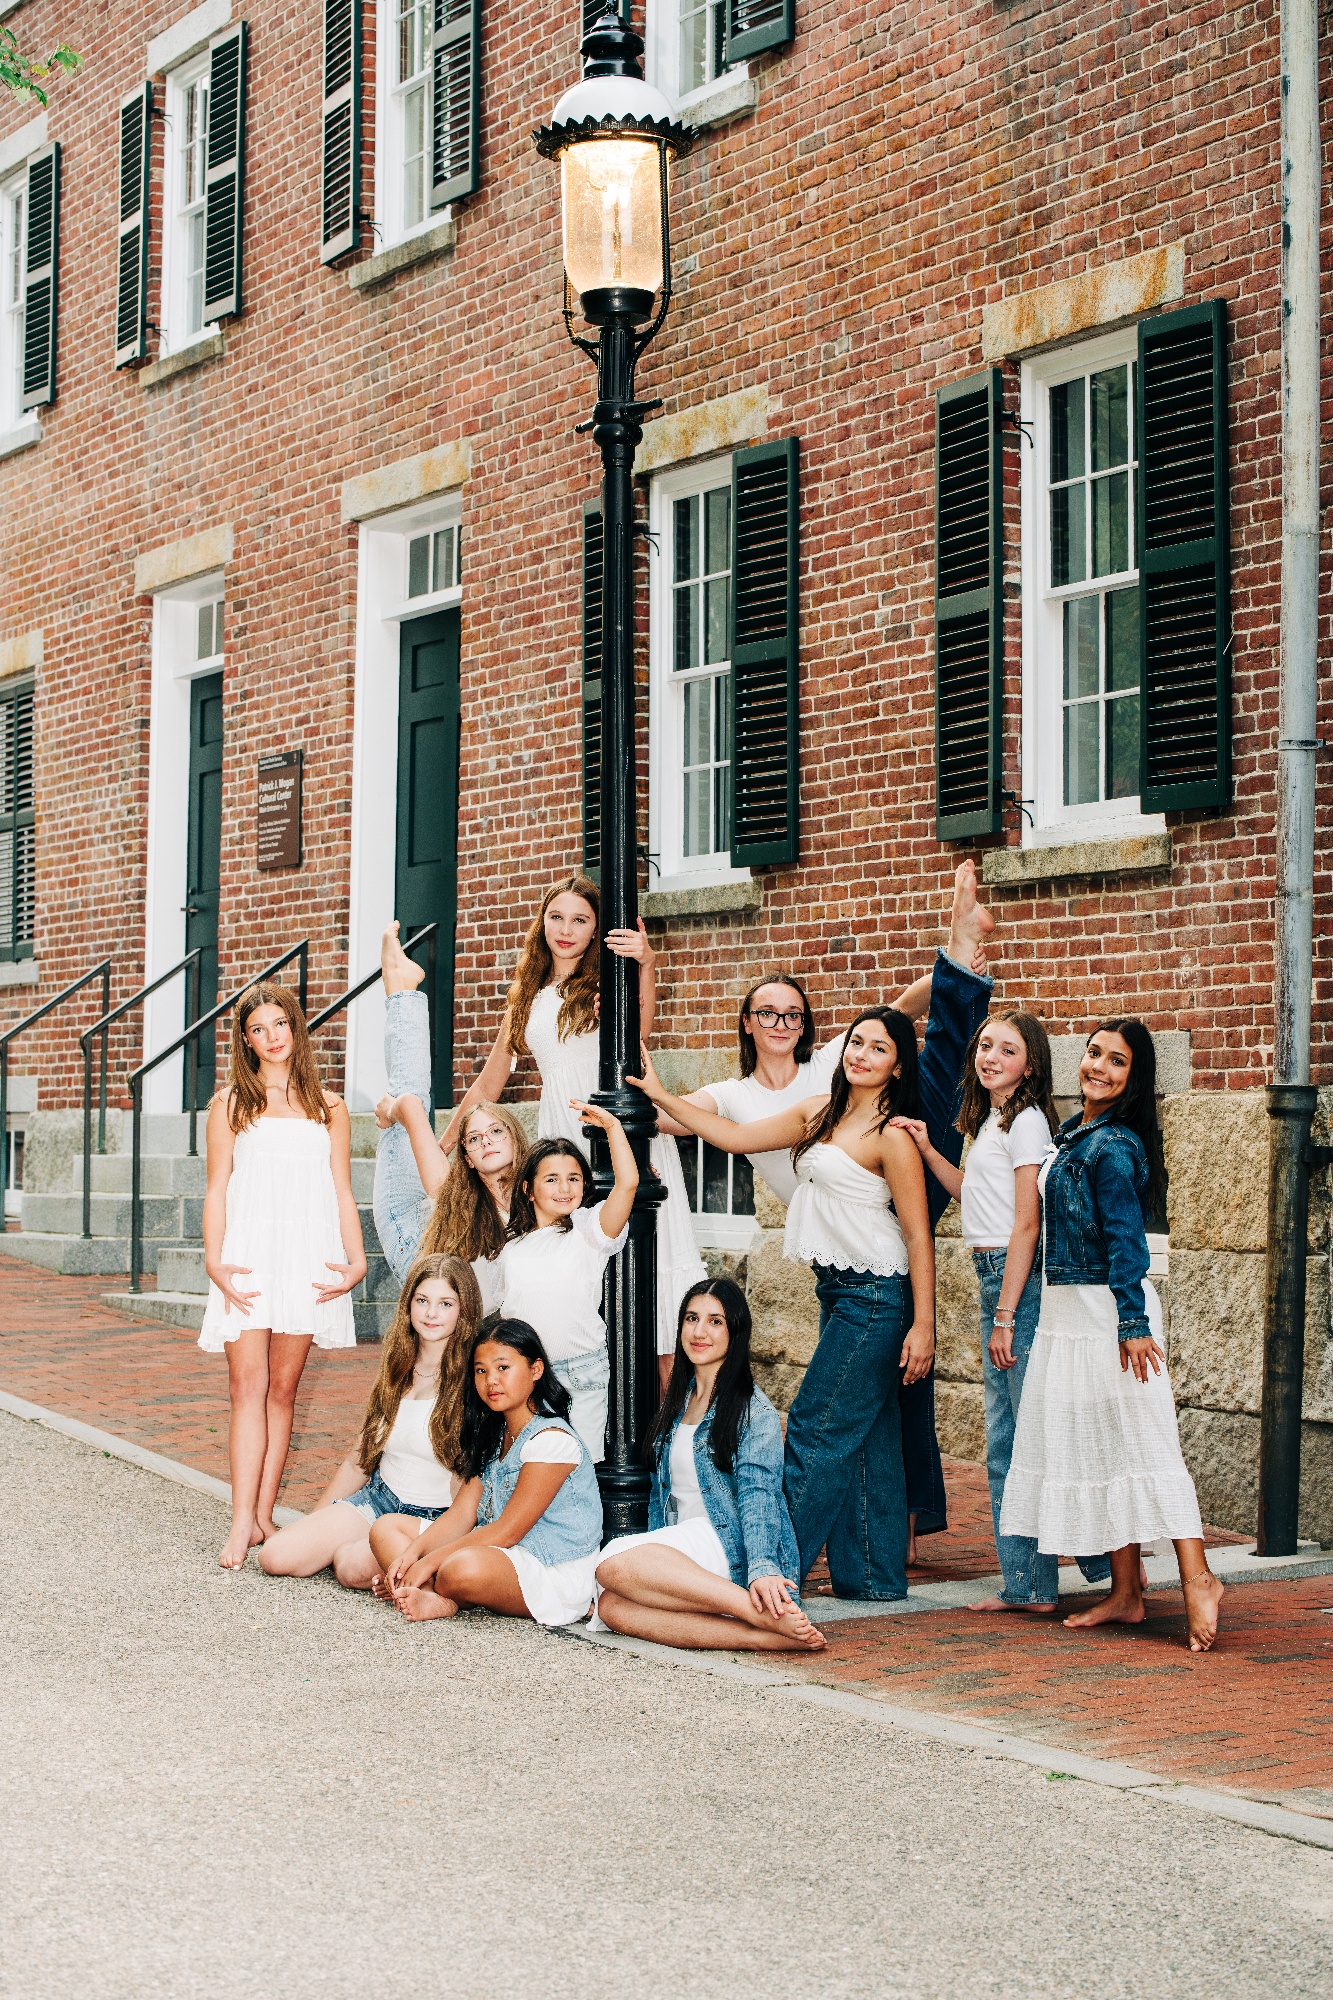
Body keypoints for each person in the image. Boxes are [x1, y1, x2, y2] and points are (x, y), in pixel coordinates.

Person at [653, 858, 994, 1551]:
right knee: (875, 1408)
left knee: (931, 1075)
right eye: (767, 1013)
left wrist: (954, 966)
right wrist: (638, 1067)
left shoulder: (838, 1063)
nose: (781, 1022)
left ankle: (777, 1560)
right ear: (748, 1023)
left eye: (792, 1013)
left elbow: (899, 1015)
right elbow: (687, 1122)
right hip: (845, 1253)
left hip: (886, 1215)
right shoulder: (745, 1095)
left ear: (806, 1024)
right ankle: (880, 1555)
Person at [632, 1009, 935, 1602]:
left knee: (816, 1431)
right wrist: (662, 1095)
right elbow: (731, 1137)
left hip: (876, 1297)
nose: (861, 1054)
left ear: (898, 1067)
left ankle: (770, 1575)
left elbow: (918, 1234)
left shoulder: (893, 1136)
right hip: (838, 1290)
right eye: (857, 1043)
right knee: (866, 1437)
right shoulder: (817, 1112)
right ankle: (872, 1578)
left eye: (879, 1048)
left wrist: (923, 1324)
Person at [1000, 1020, 1224, 1652]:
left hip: (1108, 1313)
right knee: (1102, 1445)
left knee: (1146, 1441)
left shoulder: (1115, 1146)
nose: (1098, 1066)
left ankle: (1199, 1577)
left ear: (1134, 1076)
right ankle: (1126, 1593)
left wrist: (1132, 1323)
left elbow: (1128, 1242)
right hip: (1067, 1313)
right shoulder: (1076, 1132)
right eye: (1094, 1053)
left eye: (1116, 1060)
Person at [440, 873, 706, 1383]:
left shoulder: (607, 982)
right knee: (584, 1274)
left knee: (652, 1282)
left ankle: (665, 1421)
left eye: (581, 920)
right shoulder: (527, 995)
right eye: (556, 917)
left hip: (619, 1131)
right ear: (542, 922)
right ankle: (598, 1400)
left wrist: (647, 964)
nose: (565, 930)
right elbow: (490, 1083)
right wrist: (445, 1142)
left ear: (596, 929)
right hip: (563, 1145)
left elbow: (639, 1034)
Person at [894, 1013, 1111, 1611]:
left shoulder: (1028, 1121)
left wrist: (1007, 1314)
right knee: (1017, 1437)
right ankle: (1041, 1581)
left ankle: (1070, 1571)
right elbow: (973, 1193)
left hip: (1015, 1284)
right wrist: (926, 1148)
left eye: (1007, 1050)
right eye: (985, 1045)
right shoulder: (997, 1119)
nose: (990, 1057)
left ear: (1031, 1063)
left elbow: (1026, 1224)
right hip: (996, 1276)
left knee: (1019, 1438)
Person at [199, 982, 367, 1571]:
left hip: (307, 1256)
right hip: (249, 1254)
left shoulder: (330, 1107)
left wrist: (357, 1259)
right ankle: (240, 1520)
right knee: (246, 1387)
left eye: (279, 1024)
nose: (272, 1037)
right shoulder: (229, 1104)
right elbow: (217, 1188)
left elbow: (341, 1190)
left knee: (283, 1390)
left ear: (295, 1028)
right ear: (245, 1041)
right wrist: (213, 1259)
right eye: (258, 1029)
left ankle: (264, 1515)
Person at [592, 1280, 825, 1652]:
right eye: (691, 1318)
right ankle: (763, 1636)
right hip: (687, 1548)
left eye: (715, 1321)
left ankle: (749, 1606)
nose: (699, 1332)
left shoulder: (754, 1412)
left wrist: (763, 1569)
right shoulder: (677, 1404)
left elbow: (759, 1495)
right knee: (611, 1606)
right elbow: (662, 1498)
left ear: (735, 1331)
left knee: (611, 1564)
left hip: (726, 1543)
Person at [259, 1253, 479, 1587]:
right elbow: (358, 1460)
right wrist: (317, 1522)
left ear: (465, 1309)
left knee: (350, 1567)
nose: (431, 1313)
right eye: (422, 1300)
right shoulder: (398, 1364)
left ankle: (401, 1563)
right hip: (380, 1499)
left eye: (446, 1304)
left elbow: (468, 1490)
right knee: (275, 1556)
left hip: (431, 1519)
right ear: (408, 1304)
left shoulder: (474, 1378)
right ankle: (375, 1560)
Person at [378, 1317, 604, 1626]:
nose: (491, 1381)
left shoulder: (552, 1441)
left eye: (503, 1368)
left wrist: (428, 1562)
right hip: (499, 1553)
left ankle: (435, 1588)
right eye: (481, 1371)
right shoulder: (495, 1434)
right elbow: (461, 1514)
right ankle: (427, 1592)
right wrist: (412, 1554)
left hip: (549, 1570)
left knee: (461, 1568)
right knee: (386, 1528)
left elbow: (507, 1531)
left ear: (536, 1370)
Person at [478, 1103, 637, 1459]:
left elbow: (628, 1184)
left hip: (582, 1373)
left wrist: (613, 1128)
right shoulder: (509, 1247)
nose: (564, 1187)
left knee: (577, 1463)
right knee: (528, 1461)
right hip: (526, 1375)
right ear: (528, 1189)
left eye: (574, 1178)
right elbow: (505, 1312)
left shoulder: (588, 1230)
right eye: (551, 1179)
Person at [371, 922, 525, 1283]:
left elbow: (412, 1107)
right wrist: (438, 1145)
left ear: (516, 1139)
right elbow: (482, 1091)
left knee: (411, 1099)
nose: (486, 1140)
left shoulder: (531, 1192)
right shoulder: (462, 1192)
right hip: (424, 1229)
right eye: (474, 1139)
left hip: (424, 1252)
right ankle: (400, 987)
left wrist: (395, 1110)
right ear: (466, 1159)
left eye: (496, 1132)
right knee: (413, 1098)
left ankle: (400, 987)